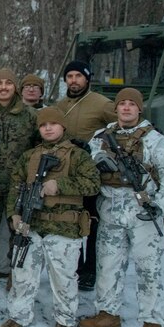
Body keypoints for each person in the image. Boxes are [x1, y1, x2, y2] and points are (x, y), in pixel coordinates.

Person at [80, 88, 164, 327]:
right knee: (107, 263)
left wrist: (160, 207)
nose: (126, 108)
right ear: (116, 109)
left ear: (139, 109)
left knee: (150, 267)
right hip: (110, 207)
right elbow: (87, 166)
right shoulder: (101, 137)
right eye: (121, 104)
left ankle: (152, 321)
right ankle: (107, 314)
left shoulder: (156, 141)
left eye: (131, 104)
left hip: (143, 210)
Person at [0, 107, 101, 327]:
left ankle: (64, 321)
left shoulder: (77, 155)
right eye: (43, 125)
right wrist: (13, 215)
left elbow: (93, 183)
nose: (48, 128)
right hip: (31, 226)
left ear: (62, 126)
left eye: (53, 124)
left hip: (64, 229)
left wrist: (60, 185)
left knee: (64, 279)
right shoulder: (29, 157)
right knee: (22, 274)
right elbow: (15, 187)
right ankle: (19, 316)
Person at [52, 60, 117, 291]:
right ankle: (75, 267)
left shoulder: (101, 104)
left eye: (78, 76)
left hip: (92, 175)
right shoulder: (61, 106)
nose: (74, 81)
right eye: (69, 76)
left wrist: (100, 149)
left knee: (93, 223)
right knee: (71, 221)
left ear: (87, 78)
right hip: (67, 175)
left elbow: (121, 127)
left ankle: (91, 270)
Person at [0, 68, 38, 289]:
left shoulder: (29, 115)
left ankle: (15, 271)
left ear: (15, 87)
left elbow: (40, 146)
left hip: (18, 183)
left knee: (18, 228)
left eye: (8, 83)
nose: (3, 87)